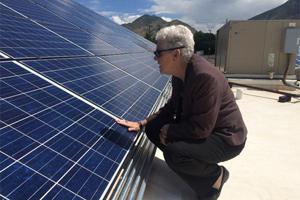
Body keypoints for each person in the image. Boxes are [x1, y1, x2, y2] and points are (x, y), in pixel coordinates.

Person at [116, 25, 247, 200]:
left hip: (225, 139)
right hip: (204, 130)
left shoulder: (205, 78)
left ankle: (214, 177)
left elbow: (201, 129)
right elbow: (171, 108)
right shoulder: (180, 73)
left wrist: (170, 131)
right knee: (153, 129)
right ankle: (196, 165)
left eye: (158, 53)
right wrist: (143, 123)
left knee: (174, 153)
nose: (155, 58)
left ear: (176, 54)